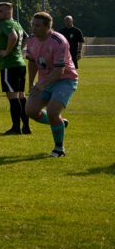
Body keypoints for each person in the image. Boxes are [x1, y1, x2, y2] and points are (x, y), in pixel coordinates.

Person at [24, 11, 78, 157]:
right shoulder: (31, 40)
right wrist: (31, 83)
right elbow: (32, 63)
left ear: (48, 27)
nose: (34, 28)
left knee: (53, 111)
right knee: (30, 111)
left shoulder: (59, 41)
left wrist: (42, 85)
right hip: (44, 81)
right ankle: (59, 123)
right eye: (33, 25)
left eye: (38, 26)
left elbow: (59, 71)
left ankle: (59, 149)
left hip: (65, 80)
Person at [0, 2, 30, 135]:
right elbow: (26, 37)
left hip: (10, 65)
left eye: (1, 11)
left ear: (9, 12)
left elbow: (13, 36)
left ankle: (16, 128)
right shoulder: (17, 24)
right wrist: (19, 51)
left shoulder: (7, 24)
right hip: (20, 64)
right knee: (21, 96)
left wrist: (7, 52)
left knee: (13, 97)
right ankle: (26, 127)